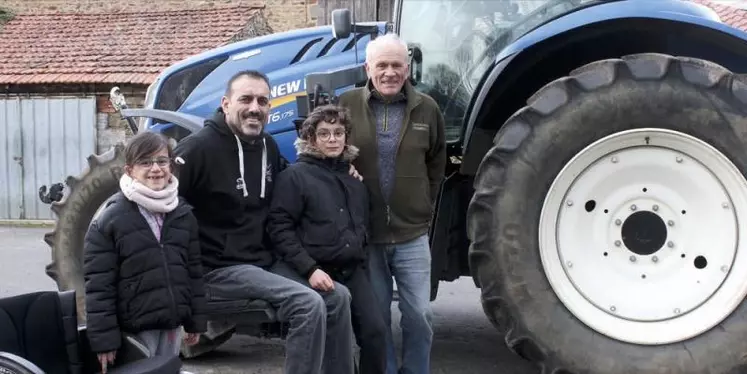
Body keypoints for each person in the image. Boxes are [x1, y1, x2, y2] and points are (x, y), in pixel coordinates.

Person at [174, 70, 356, 374]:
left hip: (263, 261)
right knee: (307, 304)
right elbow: (164, 203)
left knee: (338, 296)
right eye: (246, 99)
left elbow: (299, 179)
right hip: (218, 268)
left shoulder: (267, 147)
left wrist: (341, 171)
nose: (255, 107)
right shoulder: (197, 148)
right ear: (226, 103)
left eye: (263, 101)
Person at [338, 32, 447, 374]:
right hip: (366, 234)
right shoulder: (346, 104)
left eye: (396, 65)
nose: (389, 72)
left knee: (420, 314)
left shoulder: (426, 108)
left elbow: (436, 163)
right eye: (381, 65)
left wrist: (421, 203)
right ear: (368, 67)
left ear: (408, 68)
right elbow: (327, 151)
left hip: (412, 233)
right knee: (376, 316)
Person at [267, 105, 388, 374]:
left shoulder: (354, 179)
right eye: (324, 134)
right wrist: (309, 269)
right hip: (316, 269)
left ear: (346, 137)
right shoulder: (295, 177)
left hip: (352, 269)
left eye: (338, 132)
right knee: (334, 341)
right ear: (311, 139)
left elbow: (361, 226)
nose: (332, 139)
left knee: (375, 332)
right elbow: (279, 228)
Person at [83, 131, 206, 373]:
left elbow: (193, 272)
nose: (156, 169)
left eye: (162, 161)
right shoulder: (110, 220)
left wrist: (196, 321)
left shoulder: (182, 214)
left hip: (171, 325)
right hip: (135, 328)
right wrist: (104, 340)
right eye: (145, 162)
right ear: (129, 170)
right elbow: (99, 287)